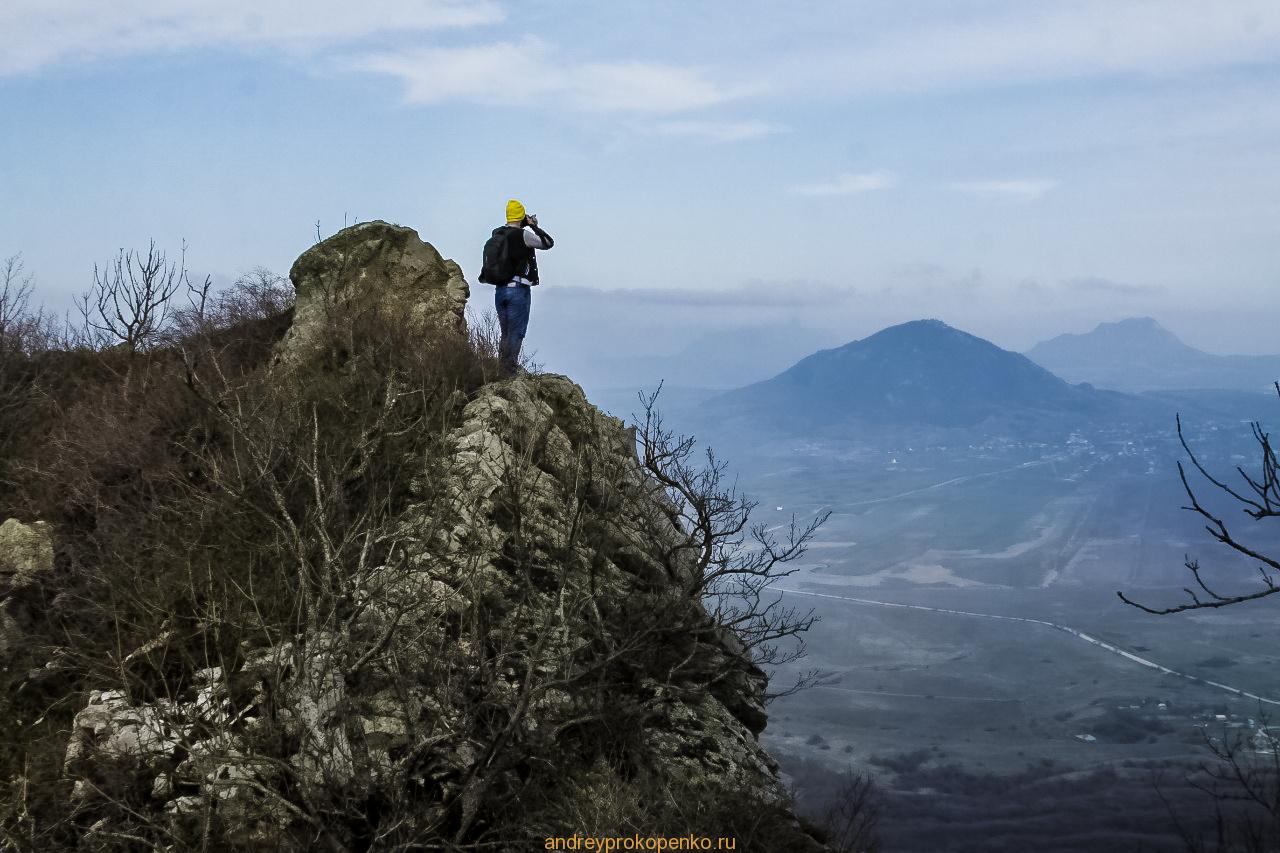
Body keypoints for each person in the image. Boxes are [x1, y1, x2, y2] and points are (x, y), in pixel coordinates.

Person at [489, 199, 553, 376]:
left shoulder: (497, 235)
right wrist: (533, 226)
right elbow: (547, 242)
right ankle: (509, 372)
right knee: (516, 332)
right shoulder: (522, 235)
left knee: (506, 332)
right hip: (518, 289)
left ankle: (501, 369)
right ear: (521, 216)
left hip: (500, 290)